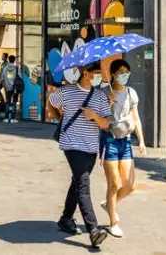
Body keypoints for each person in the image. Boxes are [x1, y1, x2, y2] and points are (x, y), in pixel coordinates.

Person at [49, 61, 112, 248]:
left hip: (91, 147)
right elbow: (51, 102)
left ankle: (66, 218)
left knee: (77, 182)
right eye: (96, 72)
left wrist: (94, 116)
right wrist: (60, 118)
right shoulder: (66, 91)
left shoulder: (100, 96)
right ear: (86, 73)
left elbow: (106, 124)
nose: (99, 76)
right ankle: (93, 230)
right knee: (83, 184)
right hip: (71, 145)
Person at [99, 59, 146, 238]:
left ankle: (109, 205)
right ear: (112, 74)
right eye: (120, 72)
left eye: (127, 71)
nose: (124, 75)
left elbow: (136, 118)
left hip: (125, 141)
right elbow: (100, 121)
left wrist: (141, 140)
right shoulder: (104, 93)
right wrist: (109, 103)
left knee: (131, 185)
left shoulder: (131, 93)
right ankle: (113, 223)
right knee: (114, 184)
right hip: (109, 139)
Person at [1, 55, 21, 123]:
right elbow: (20, 77)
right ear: (14, 60)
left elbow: (2, 77)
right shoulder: (17, 68)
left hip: (7, 87)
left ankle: (6, 118)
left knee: (7, 102)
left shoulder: (5, 68)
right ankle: (12, 118)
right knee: (14, 102)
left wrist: (5, 84)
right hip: (15, 87)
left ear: (9, 60)